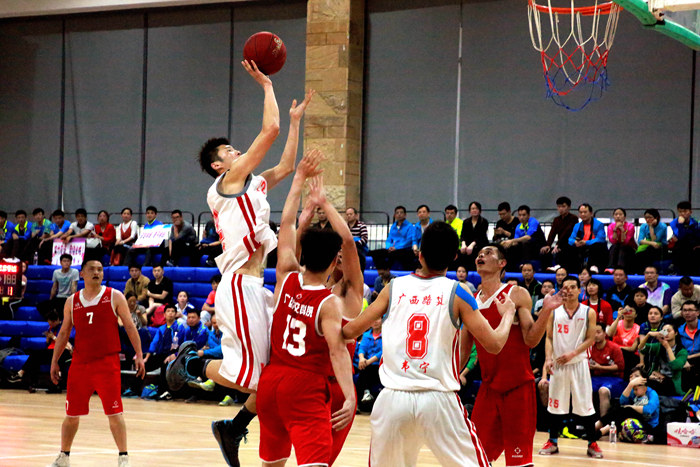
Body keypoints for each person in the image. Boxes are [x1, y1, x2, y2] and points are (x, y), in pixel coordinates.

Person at [166, 64, 314, 467]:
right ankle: (194, 362)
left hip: (256, 287)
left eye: (235, 149)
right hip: (238, 284)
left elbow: (285, 167)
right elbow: (269, 131)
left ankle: (233, 426)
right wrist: (267, 86)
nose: (236, 152)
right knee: (256, 379)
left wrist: (295, 122)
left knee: (274, 373)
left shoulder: (252, 183)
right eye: (229, 152)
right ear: (219, 166)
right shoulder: (225, 185)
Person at [343, 224, 518, 467]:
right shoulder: (459, 292)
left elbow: (349, 331)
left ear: (420, 255)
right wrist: (508, 314)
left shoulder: (393, 288)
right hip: (438, 399)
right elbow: (495, 344)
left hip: (393, 398)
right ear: (454, 257)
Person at [48, 257, 145, 467]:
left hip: (107, 363)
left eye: (100, 269)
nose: (97, 272)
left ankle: (123, 458)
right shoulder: (71, 301)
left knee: (114, 412)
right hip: (80, 364)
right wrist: (54, 361)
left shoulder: (114, 296)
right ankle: (64, 456)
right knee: (71, 414)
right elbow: (63, 333)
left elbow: (130, 326)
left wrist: (139, 354)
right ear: (82, 274)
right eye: (92, 269)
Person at [472, 244, 561, 467]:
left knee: (518, 462)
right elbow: (465, 347)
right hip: (488, 387)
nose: (481, 255)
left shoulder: (516, 294)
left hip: (517, 387)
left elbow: (531, 340)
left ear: (502, 264)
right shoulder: (471, 300)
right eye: (480, 253)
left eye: (488, 253)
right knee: (474, 456)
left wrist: (546, 310)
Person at [538, 275, 602, 459]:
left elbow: (590, 339)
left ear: (579, 290)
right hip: (558, 365)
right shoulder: (554, 311)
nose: (569, 290)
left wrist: (572, 354)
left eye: (573, 287)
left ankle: (592, 443)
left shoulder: (588, 312)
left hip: (579, 363)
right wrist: (548, 359)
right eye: (565, 287)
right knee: (555, 405)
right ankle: (552, 441)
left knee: (585, 405)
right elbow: (549, 337)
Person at [7, 309, 72, 393]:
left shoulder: (63, 328)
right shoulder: (51, 328)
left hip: (62, 351)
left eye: (51, 323)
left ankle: (21, 373)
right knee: (35, 359)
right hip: (51, 351)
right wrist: (48, 339)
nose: (50, 325)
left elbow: (66, 344)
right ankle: (33, 384)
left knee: (35, 354)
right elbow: (48, 344)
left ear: (56, 321)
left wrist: (53, 337)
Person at [594, 366, 661, 444]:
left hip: (648, 425)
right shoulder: (633, 390)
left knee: (628, 410)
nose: (633, 379)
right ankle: (598, 427)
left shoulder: (652, 393)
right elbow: (622, 402)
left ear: (644, 379)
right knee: (619, 408)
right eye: (631, 377)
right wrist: (630, 385)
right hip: (634, 420)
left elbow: (648, 410)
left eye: (636, 376)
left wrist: (630, 407)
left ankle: (602, 429)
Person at [639, 323, 688, 396]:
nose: (666, 333)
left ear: (676, 333)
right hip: (658, 378)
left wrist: (667, 347)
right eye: (664, 331)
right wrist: (648, 335)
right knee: (643, 381)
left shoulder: (682, 351)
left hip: (672, 382)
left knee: (657, 386)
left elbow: (675, 366)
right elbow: (641, 348)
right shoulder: (658, 346)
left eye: (669, 331)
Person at [589, 324, 626, 419]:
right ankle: (586, 420)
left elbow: (620, 367)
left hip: (615, 379)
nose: (595, 335)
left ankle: (603, 421)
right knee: (583, 387)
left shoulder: (614, 347)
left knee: (603, 391)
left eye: (598, 332)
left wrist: (600, 367)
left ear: (604, 333)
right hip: (596, 378)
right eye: (593, 332)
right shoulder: (590, 347)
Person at [369, 205, 415, 271]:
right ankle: (380, 269)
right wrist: (389, 247)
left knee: (393, 254)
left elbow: (408, 241)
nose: (399, 214)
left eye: (401, 212)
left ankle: (386, 270)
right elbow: (389, 239)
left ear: (405, 215)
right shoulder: (393, 226)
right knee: (373, 253)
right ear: (395, 215)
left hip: (403, 249)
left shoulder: (410, 226)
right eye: (397, 213)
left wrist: (396, 248)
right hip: (392, 249)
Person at [541, 196, 579, 271]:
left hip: (570, 243)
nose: (561, 209)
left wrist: (558, 244)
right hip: (559, 244)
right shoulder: (556, 220)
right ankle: (545, 270)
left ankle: (560, 266)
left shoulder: (573, 218)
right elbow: (552, 233)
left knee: (565, 249)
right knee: (545, 251)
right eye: (559, 207)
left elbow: (567, 232)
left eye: (563, 206)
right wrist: (548, 245)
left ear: (569, 207)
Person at [568, 203, 608, 273]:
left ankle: (594, 266)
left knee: (597, 245)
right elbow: (570, 239)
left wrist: (586, 242)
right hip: (581, 246)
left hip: (593, 246)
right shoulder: (577, 226)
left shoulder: (599, 224)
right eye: (581, 212)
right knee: (568, 246)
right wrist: (575, 242)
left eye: (585, 212)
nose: (583, 214)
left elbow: (600, 239)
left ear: (591, 213)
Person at [502, 205, 544, 270]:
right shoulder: (518, 226)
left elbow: (528, 237)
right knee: (511, 247)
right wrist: (507, 243)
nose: (521, 217)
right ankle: (509, 269)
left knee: (525, 243)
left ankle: (526, 266)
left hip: (538, 246)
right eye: (520, 215)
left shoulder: (533, 221)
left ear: (528, 215)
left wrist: (512, 241)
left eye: (524, 215)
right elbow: (515, 241)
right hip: (524, 247)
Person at [607, 303, 640, 379]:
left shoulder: (638, 329)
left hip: (629, 356)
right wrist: (618, 317)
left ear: (636, 315)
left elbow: (632, 348)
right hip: (614, 354)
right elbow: (609, 334)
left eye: (631, 311)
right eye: (626, 311)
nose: (628, 313)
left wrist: (618, 348)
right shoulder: (617, 324)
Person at [356, 318, 383, 407]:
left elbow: (383, 352)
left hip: (380, 365)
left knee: (366, 370)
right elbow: (362, 348)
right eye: (373, 319)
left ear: (382, 319)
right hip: (366, 364)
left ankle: (366, 394)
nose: (375, 321)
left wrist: (368, 362)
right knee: (362, 369)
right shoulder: (366, 335)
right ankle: (362, 399)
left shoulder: (386, 335)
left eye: (377, 319)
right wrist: (361, 359)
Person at [670, 201, 699, 275]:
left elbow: (697, 235)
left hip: (694, 247)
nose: (682, 213)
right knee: (681, 243)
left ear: (690, 212)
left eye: (685, 211)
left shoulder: (696, 222)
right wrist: (680, 224)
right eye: (680, 211)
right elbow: (680, 236)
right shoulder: (673, 223)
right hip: (681, 247)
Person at [45, 254, 79, 318]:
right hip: (59, 297)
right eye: (64, 261)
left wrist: (73, 300)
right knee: (43, 306)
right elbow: (54, 287)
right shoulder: (56, 272)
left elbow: (74, 286)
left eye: (68, 261)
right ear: (61, 262)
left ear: (71, 262)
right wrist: (51, 300)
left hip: (68, 297)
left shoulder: (75, 272)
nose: (66, 263)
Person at [635, 209, 668, 273]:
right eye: (646, 218)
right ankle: (640, 273)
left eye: (650, 217)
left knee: (650, 250)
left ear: (656, 218)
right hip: (649, 245)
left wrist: (651, 227)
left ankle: (649, 272)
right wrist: (651, 243)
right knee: (638, 255)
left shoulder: (663, 226)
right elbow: (640, 240)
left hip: (661, 247)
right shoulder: (643, 226)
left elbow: (655, 240)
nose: (647, 220)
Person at [459, 201, 489, 271]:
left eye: (476, 208)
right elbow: (463, 235)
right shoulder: (466, 222)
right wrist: (463, 244)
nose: (474, 210)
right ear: (469, 211)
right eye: (472, 209)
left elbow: (481, 236)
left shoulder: (484, 221)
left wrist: (472, 245)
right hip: (468, 247)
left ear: (480, 211)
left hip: (480, 246)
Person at [677, 300, 700, 388]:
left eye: (690, 310)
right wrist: (685, 360)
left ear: (697, 312)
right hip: (685, 361)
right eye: (685, 310)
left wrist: (690, 357)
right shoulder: (678, 330)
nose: (687, 313)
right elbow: (676, 348)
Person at [345, 207, 368, 271]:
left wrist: (354, 243)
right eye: (347, 214)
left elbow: (365, 239)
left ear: (356, 215)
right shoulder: (345, 226)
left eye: (350, 214)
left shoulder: (361, 225)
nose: (348, 216)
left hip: (359, 247)